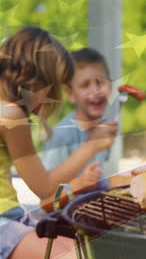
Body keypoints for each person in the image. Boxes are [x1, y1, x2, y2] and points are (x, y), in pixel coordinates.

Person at [0, 27, 117, 258]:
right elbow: (44, 188)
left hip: (11, 215)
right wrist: (92, 145)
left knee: (86, 249)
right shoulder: (11, 114)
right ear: (26, 73)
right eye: (52, 87)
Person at [40, 48, 115, 208]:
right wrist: (79, 184)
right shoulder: (60, 136)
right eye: (85, 85)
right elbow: (45, 202)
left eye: (100, 82)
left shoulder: (107, 127)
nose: (95, 91)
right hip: (62, 222)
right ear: (70, 93)